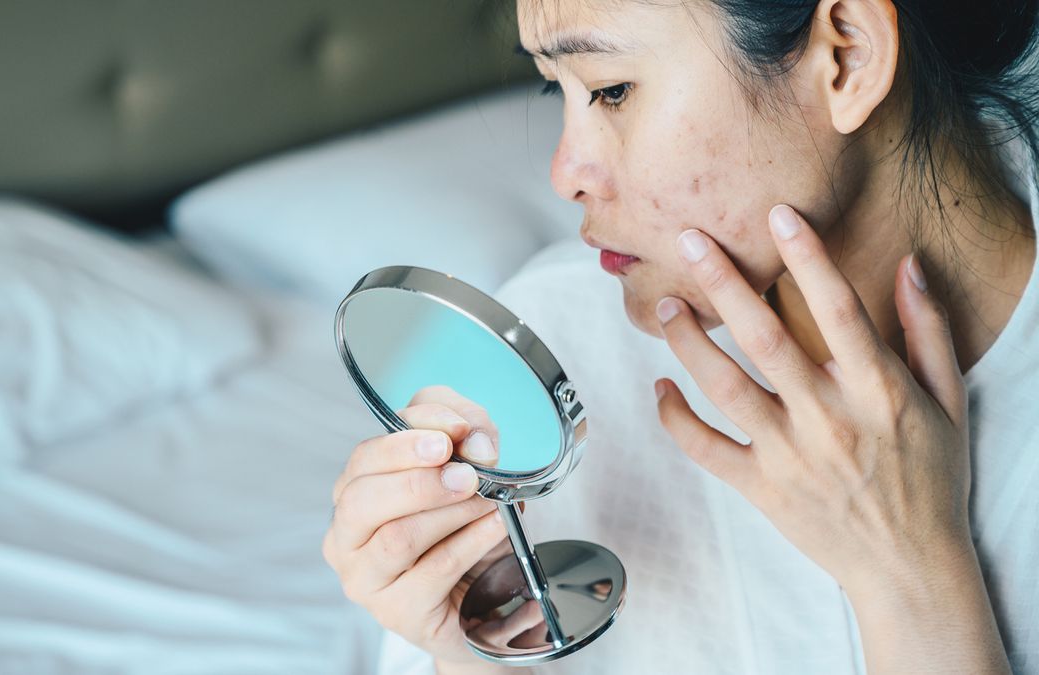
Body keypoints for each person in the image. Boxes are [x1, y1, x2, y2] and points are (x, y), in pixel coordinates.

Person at [322, 0, 1039, 672]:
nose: (564, 174)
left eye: (610, 90)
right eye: (554, 90)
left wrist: (914, 581)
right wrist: (461, 657)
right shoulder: (542, 360)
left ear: (847, 56)